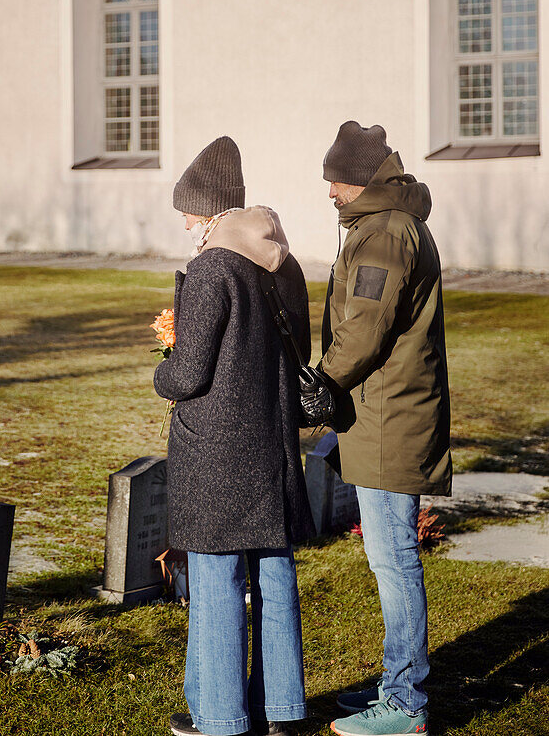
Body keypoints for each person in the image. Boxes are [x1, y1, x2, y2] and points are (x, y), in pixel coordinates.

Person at [154, 135, 313, 736]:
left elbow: (188, 372)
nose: (187, 225)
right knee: (273, 570)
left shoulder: (212, 267)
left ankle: (220, 717)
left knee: (217, 575)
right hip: (271, 439)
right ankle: (282, 711)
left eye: (189, 213)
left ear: (213, 210)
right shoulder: (284, 263)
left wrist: (160, 366)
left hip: (216, 446)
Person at [318, 122, 451, 736]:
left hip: (389, 415)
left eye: (335, 180)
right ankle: (396, 686)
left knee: (394, 558)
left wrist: (321, 383)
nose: (329, 193)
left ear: (361, 179)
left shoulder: (384, 232)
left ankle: (405, 704)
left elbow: (366, 326)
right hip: (382, 412)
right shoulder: (383, 225)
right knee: (387, 556)